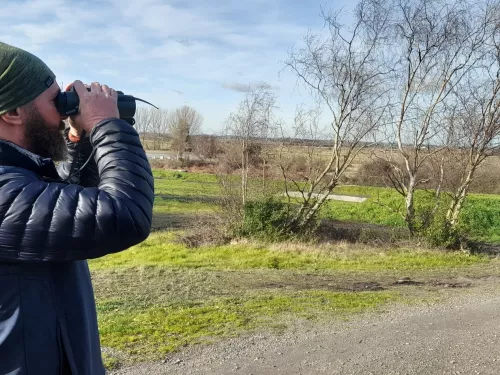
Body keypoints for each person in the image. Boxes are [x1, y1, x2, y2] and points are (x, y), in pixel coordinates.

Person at [0, 42, 154, 374]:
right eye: (56, 100)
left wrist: (78, 139)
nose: (64, 110)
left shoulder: (20, 177)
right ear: (12, 112)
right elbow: (122, 215)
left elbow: (66, 206)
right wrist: (105, 123)